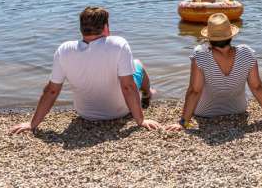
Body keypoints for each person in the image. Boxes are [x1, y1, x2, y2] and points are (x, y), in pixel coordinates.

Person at [9, 7, 160, 134]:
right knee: (137, 64)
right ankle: (148, 93)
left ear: (81, 29)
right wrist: (140, 120)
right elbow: (128, 86)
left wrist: (32, 124)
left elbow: (51, 91)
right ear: (106, 27)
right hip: (120, 111)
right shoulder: (119, 44)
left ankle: (147, 93)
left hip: (85, 113)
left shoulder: (64, 49)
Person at [166, 13, 262, 131]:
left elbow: (195, 90)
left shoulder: (201, 54)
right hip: (238, 109)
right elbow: (256, 86)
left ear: (209, 37)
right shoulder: (246, 53)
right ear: (231, 35)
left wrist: (183, 122)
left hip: (204, 112)